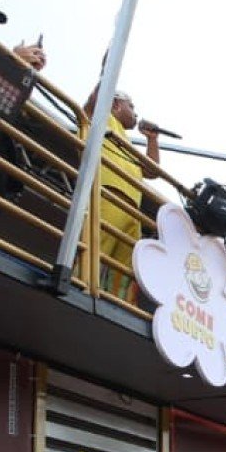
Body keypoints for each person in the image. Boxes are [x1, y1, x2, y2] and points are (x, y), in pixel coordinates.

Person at [83, 87, 162, 298]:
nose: (136, 112)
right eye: (131, 106)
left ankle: (118, 301)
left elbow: (152, 171)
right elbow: (94, 102)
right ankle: (80, 283)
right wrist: (106, 74)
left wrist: (152, 139)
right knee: (98, 246)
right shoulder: (105, 120)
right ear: (116, 104)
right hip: (109, 195)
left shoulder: (125, 141)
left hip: (132, 210)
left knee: (126, 264)